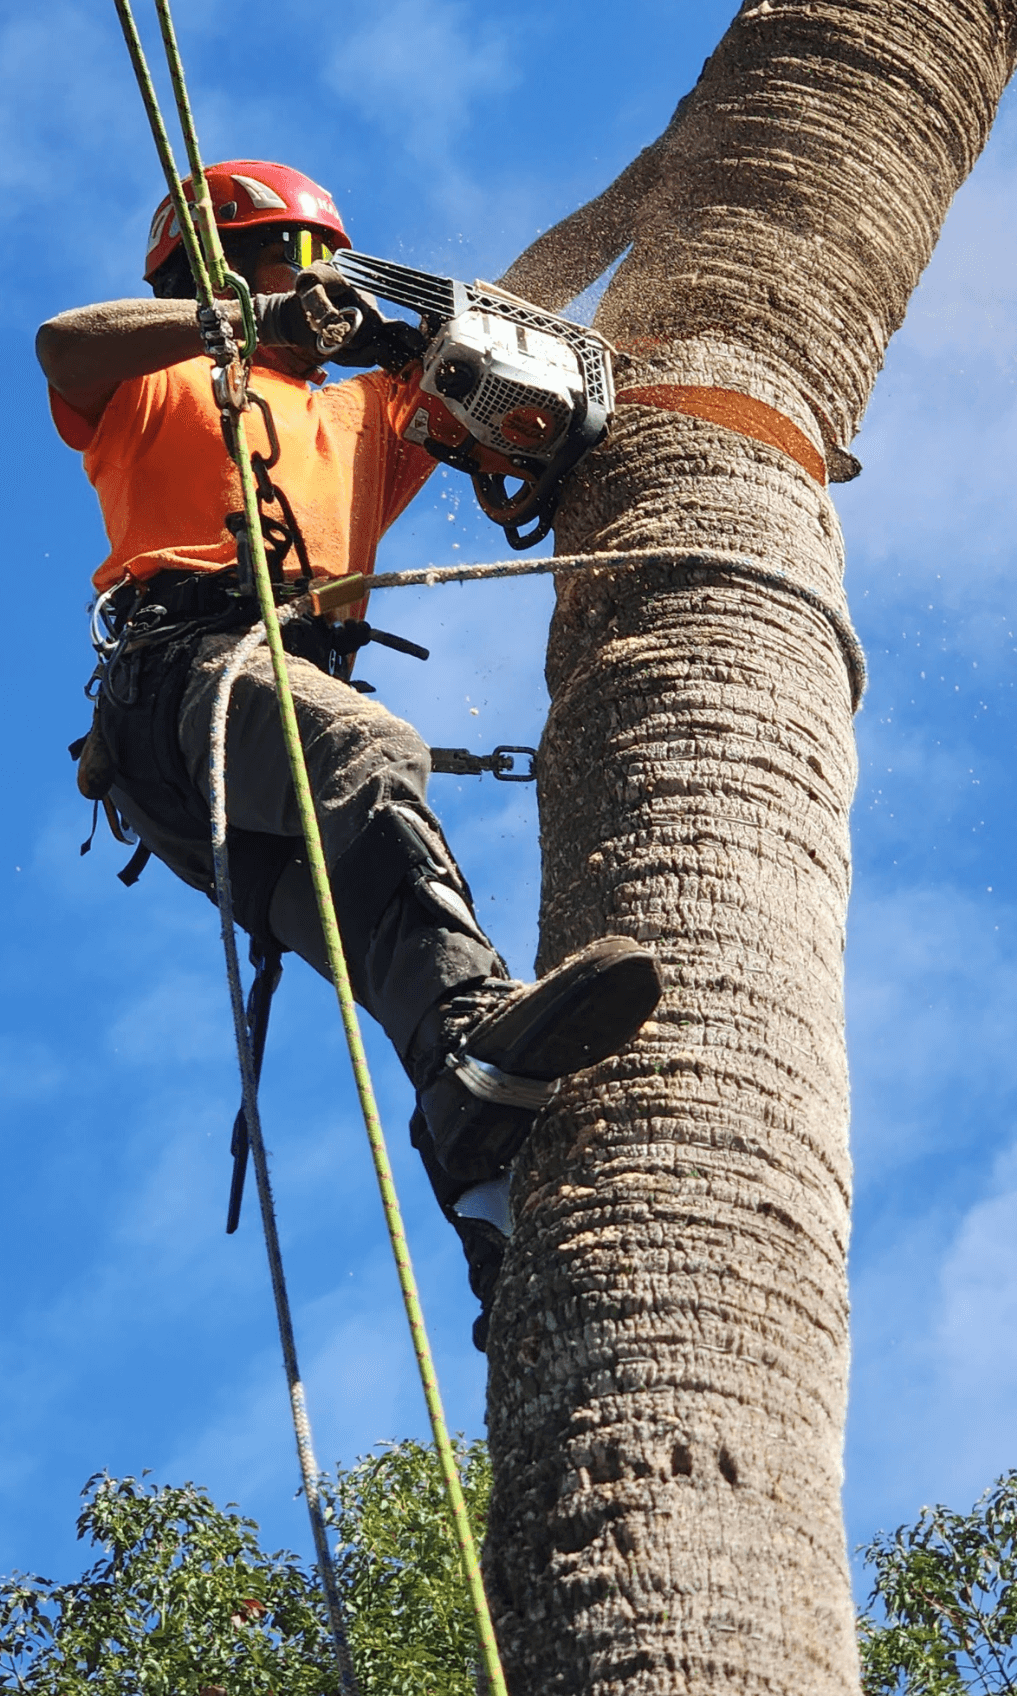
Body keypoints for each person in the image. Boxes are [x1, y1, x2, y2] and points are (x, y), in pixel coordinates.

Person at [37, 159, 662, 1346]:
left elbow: (507, 316)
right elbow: (65, 342)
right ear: (221, 264)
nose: (322, 293)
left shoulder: (370, 413)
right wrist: (246, 320)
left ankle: (494, 1220)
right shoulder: (159, 375)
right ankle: (480, 1034)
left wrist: (642, 202)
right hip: (188, 682)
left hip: (259, 732)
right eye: (301, 265)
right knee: (371, 753)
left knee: (388, 937)